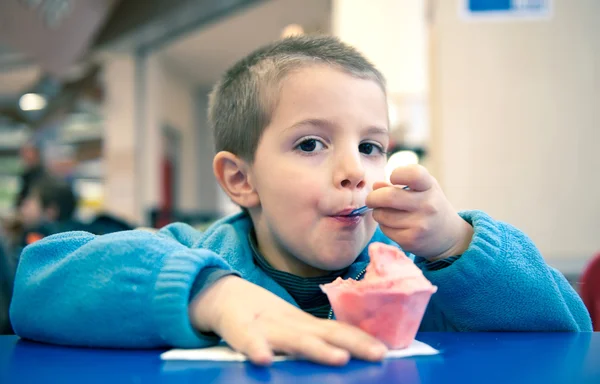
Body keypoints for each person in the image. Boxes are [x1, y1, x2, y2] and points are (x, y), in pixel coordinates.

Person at [10, 36, 591, 366]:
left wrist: (456, 245)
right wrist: (208, 295)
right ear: (241, 181)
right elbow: (38, 281)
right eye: (311, 143)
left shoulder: (420, 275)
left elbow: (569, 338)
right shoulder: (200, 255)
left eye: (370, 146)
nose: (353, 172)